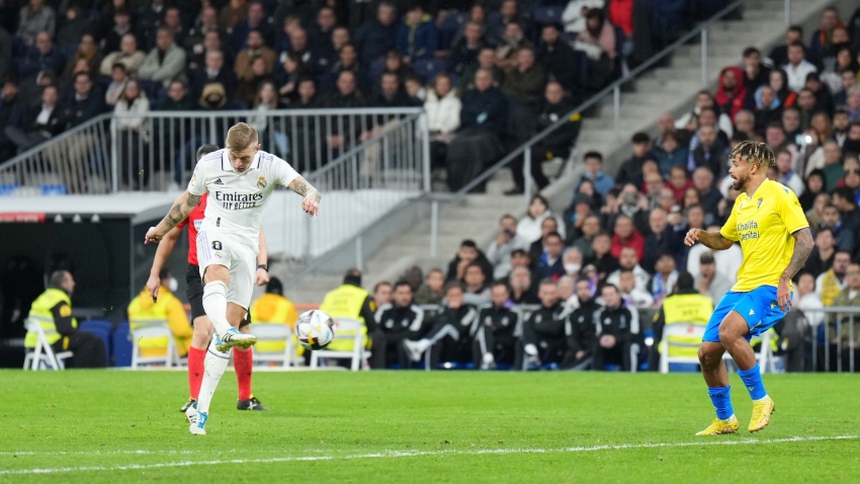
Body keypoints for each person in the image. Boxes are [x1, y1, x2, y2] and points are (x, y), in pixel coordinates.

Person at [144, 124, 321, 436]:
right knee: (217, 276)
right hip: (214, 231)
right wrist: (160, 228)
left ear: (257, 149)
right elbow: (186, 203)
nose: (238, 163)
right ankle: (225, 329)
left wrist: (310, 198)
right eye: (234, 157)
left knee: (229, 331)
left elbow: (309, 188)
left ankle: (200, 411)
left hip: (247, 246)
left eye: (244, 158)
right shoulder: (209, 165)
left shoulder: (271, 165)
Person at [684, 141, 813, 435]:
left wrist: (785, 278)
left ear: (753, 167)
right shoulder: (742, 202)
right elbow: (724, 240)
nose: (730, 170)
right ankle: (726, 419)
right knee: (706, 353)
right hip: (742, 286)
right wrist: (701, 234)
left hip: (770, 286)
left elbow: (806, 241)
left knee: (729, 332)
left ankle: (761, 400)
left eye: (736, 164)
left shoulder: (780, 194)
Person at [146, 144, 274, 414]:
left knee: (242, 332)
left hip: (235, 268)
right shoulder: (189, 199)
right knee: (203, 330)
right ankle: (194, 399)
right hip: (200, 271)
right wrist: (154, 274)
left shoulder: (237, 193)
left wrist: (262, 266)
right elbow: (169, 236)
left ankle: (245, 397)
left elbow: (257, 232)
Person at [25, 270, 107, 368]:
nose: (73, 283)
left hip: (34, 343)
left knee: (80, 340)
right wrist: (78, 333)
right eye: (71, 281)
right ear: (63, 284)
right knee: (92, 339)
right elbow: (64, 328)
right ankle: (79, 371)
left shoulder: (44, 297)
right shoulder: (60, 300)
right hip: (51, 343)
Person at [403, 282, 478, 368]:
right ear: (447, 297)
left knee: (447, 326)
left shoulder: (470, 310)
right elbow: (435, 325)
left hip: (460, 346)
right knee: (435, 341)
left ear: (462, 296)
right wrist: (448, 310)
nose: (454, 298)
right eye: (451, 295)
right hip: (443, 345)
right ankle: (430, 371)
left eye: (457, 295)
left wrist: (452, 310)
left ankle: (420, 346)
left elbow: (460, 329)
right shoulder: (441, 309)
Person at [649, 272, 714, 371]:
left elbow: (656, 328)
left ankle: (653, 375)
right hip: (703, 348)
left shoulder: (668, 303)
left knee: (655, 342)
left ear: (677, 286)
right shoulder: (707, 302)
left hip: (673, 348)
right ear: (693, 285)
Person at [127, 268, 193, 358]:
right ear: (164, 282)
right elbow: (182, 330)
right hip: (172, 351)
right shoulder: (171, 302)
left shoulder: (133, 304)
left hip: (144, 352)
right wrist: (194, 333)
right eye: (169, 278)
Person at [372, 281, 425, 369]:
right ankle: (378, 372)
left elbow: (413, 333)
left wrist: (389, 338)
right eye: (401, 293)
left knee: (403, 344)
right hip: (387, 347)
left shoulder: (416, 311)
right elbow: (375, 328)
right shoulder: (385, 309)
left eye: (407, 293)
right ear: (394, 295)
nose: (404, 297)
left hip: (406, 348)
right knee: (379, 342)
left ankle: (405, 374)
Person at [521, 279, 573, 369]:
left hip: (559, 350)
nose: (549, 296)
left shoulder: (564, 309)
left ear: (558, 293)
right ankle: (531, 357)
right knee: (522, 337)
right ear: (539, 294)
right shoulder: (534, 313)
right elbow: (527, 329)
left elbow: (555, 328)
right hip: (540, 348)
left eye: (552, 293)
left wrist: (537, 326)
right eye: (545, 293)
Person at [591, 283, 638, 371]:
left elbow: (634, 333)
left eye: (611, 294)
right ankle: (595, 375)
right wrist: (603, 338)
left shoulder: (629, 310)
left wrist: (616, 339)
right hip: (611, 349)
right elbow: (599, 333)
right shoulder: (601, 313)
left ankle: (631, 375)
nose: (609, 298)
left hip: (628, 345)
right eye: (605, 295)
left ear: (618, 295)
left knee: (629, 346)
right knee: (597, 346)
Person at [475, 281, 520, 370]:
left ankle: (488, 361)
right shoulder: (484, 310)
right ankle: (483, 364)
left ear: (508, 294)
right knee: (482, 333)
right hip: (486, 341)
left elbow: (517, 334)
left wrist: (494, 327)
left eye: (502, 295)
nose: (500, 298)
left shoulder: (515, 311)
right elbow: (475, 330)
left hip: (507, 345)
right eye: (496, 295)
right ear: (491, 296)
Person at [825, 263, 860, 370]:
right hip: (845, 343)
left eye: (857, 273)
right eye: (851, 273)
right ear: (846, 277)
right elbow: (829, 315)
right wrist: (833, 337)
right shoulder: (841, 295)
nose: (855, 276)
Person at [487, 214, 529, 279]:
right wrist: (497, 246)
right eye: (505, 225)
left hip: (517, 273)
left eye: (511, 225)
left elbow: (527, 260)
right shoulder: (496, 243)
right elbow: (489, 261)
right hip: (500, 274)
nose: (508, 228)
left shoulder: (524, 241)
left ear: (516, 226)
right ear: (501, 227)